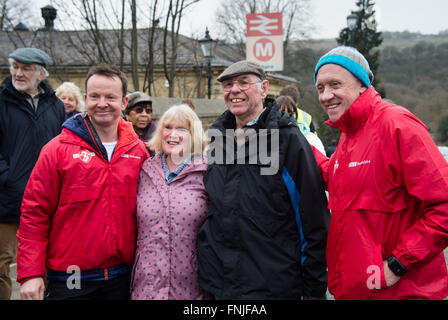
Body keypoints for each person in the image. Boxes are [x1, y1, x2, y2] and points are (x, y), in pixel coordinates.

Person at [313, 46, 448, 300]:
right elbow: (335, 177)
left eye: (335, 84)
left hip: (399, 292)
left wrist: (399, 263)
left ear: (363, 84)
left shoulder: (396, 124)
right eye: (320, 88)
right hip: (354, 291)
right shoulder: (348, 134)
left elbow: (445, 205)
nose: (326, 95)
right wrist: (300, 146)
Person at [197, 60, 330, 299]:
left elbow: (313, 219)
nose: (234, 90)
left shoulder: (288, 140)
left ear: (264, 88)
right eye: (228, 84)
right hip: (220, 286)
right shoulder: (218, 139)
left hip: (272, 286)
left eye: (243, 82)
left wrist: (313, 289)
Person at [17, 63, 149, 300]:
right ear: (86, 99)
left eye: (110, 97)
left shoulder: (139, 151)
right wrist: (30, 274)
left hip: (124, 277)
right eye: (95, 96)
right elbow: (34, 213)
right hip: (71, 277)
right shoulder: (56, 150)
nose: (102, 103)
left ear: (124, 102)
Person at [0, 47, 66, 300]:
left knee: (48, 265)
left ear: (41, 74)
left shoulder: (55, 105)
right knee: (2, 265)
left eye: (25, 68)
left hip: (46, 200)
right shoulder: (2, 101)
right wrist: (8, 178)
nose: (18, 73)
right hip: (7, 200)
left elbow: (62, 146)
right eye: (15, 67)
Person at [130, 104, 209, 300]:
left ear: (194, 134)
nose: (173, 134)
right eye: (167, 127)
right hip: (147, 286)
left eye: (182, 129)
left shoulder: (208, 172)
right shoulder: (145, 169)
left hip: (193, 286)